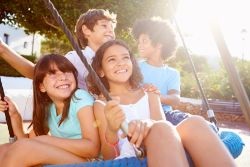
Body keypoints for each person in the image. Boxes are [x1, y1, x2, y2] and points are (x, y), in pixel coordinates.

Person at [87, 39, 236, 167]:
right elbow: (109, 158)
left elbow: (164, 131)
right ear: (100, 70)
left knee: (195, 123)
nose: (120, 63)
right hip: (133, 156)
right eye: (112, 59)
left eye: (125, 58)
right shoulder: (102, 105)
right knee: (162, 127)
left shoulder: (149, 93)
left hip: (163, 147)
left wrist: (148, 123)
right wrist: (112, 130)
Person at [0, 54, 99, 166]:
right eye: (53, 74)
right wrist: (14, 115)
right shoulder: (49, 108)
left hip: (91, 161)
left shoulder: (80, 97)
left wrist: (47, 140)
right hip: (70, 158)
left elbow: (92, 148)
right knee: (4, 150)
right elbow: (26, 142)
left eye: (67, 71)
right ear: (41, 86)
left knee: (22, 149)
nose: (63, 77)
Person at [0, 8, 117, 90]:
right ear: (86, 30)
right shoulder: (75, 58)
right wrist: (3, 49)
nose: (111, 31)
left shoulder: (117, 58)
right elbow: (36, 72)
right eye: (104, 25)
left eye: (112, 27)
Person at [132, 17, 191, 125]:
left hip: (166, 114)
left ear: (159, 44)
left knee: (196, 122)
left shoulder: (172, 73)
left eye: (144, 41)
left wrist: (154, 95)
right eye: (139, 42)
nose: (139, 45)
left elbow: (175, 99)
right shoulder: (135, 67)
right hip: (141, 113)